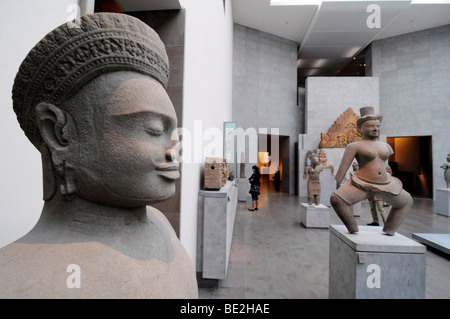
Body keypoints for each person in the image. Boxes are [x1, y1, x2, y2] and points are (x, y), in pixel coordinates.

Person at [0, 13, 198, 298]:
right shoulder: (13, 280)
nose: (175, 150)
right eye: (153, 129)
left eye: (174, 133)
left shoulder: (161, 225)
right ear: (59, 133)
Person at [330, 107, 413, 236]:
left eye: (377, 126)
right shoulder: (354, 146)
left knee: (406, 201)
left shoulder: (386, 146)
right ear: (360, 129)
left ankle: (390, 229)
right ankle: (353, 228)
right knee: (336, 199)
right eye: (370, 126)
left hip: (385, 184)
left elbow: (384, 165)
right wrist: (338, 183)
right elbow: (342, 171)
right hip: (362, 183)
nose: (375, 129)